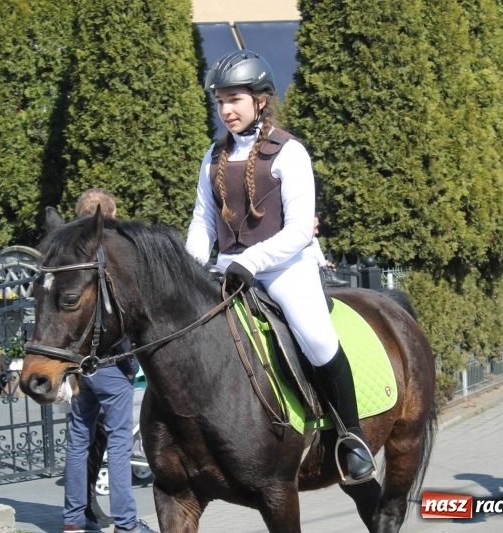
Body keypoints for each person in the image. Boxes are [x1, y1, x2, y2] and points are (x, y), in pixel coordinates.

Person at [185, 50, 375, 483]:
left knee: (317, 338)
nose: (226, 110)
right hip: (228, 267)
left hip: (285, 267)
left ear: (260, 100)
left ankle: (351, 436)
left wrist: (252, 260)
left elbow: (299, 230)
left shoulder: (290, 153)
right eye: (220, 101)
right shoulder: (212, 155)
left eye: (234, 99)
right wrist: (191, 269)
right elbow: (202, 222)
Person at [63, 188, 153, 533]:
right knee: (118, 442)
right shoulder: (109, 255)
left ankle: (73, 519)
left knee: (78, 438)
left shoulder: (71, 255)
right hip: (111, 360)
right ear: (109, 216)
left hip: (79, 362)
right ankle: (126, 524)